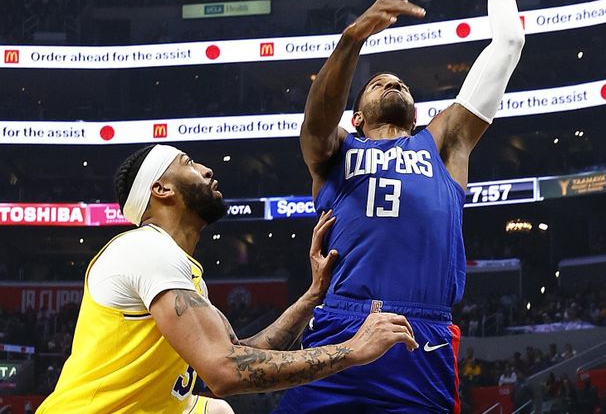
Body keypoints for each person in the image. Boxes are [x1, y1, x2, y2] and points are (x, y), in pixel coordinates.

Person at [276, 0, 525, 413]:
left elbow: (510, 41)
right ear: (357, 119)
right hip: (339, 330)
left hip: (420, 337)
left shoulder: (443, 141)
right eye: (376, 80)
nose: (391, 79)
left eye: (400, 82)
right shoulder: (335, 150)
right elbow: (316, 120)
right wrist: (351, 40)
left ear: (415, 115)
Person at [38, 144, 418, 414]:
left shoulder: (178, 269)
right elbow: (226, 370)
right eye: (188, 162)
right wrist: (353, 350)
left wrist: (312, 296)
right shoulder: (146, 250)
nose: (206, 169)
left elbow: (240, 351)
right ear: (161, 189)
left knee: (215, 410)